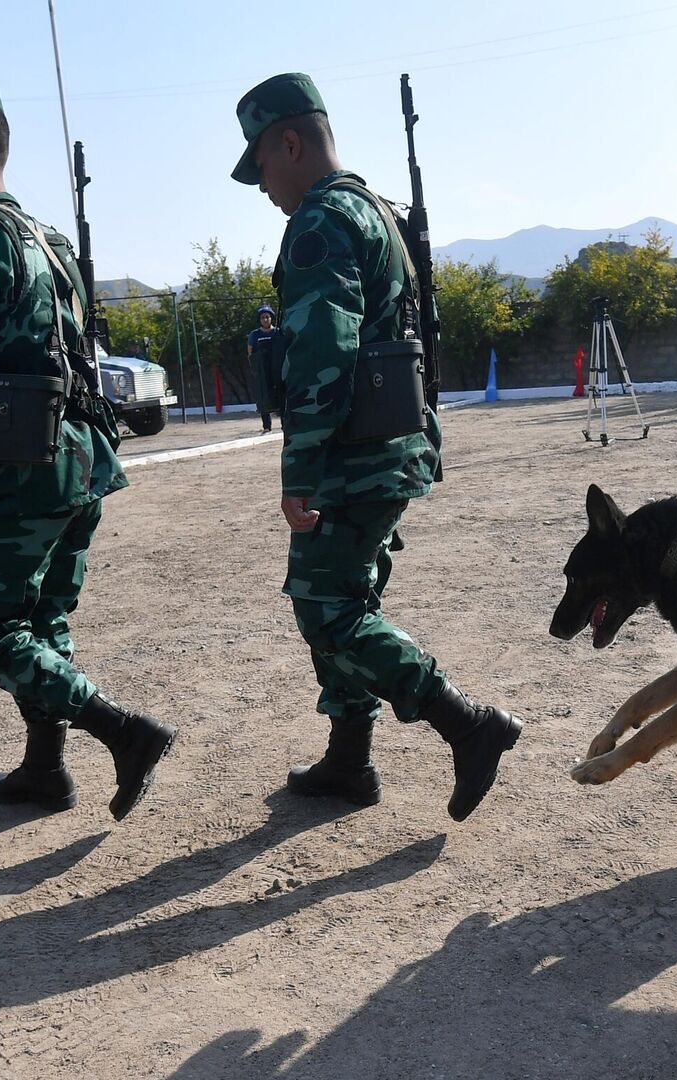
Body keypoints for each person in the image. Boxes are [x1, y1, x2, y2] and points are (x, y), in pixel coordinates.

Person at [230, 72, 522, 821]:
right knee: (339, 597)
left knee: (328, 609)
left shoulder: (323, 220)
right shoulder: (373, 209)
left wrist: (300, 468)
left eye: (259, 164)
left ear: (289, 142)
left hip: (353, 455)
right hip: (387, 445)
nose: (261, 184)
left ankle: (467, 724)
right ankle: (349, 758)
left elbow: (323, 349)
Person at [0, 66, 174, 819]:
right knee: (42, 618)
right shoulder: (46, 240)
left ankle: (122, 731)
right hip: (80, 462)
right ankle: (45, 769)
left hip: (23, 467)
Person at [247, 303, 283, 432]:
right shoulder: (254, 335)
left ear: (271, 318)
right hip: (262, 371)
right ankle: (267, 426)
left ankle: (284, 423)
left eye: (267, 317)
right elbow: (250, 352)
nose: (265, 319)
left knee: (280, 393)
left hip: (276, 369)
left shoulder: (278, 332)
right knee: (263, 396)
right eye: (263, 317)